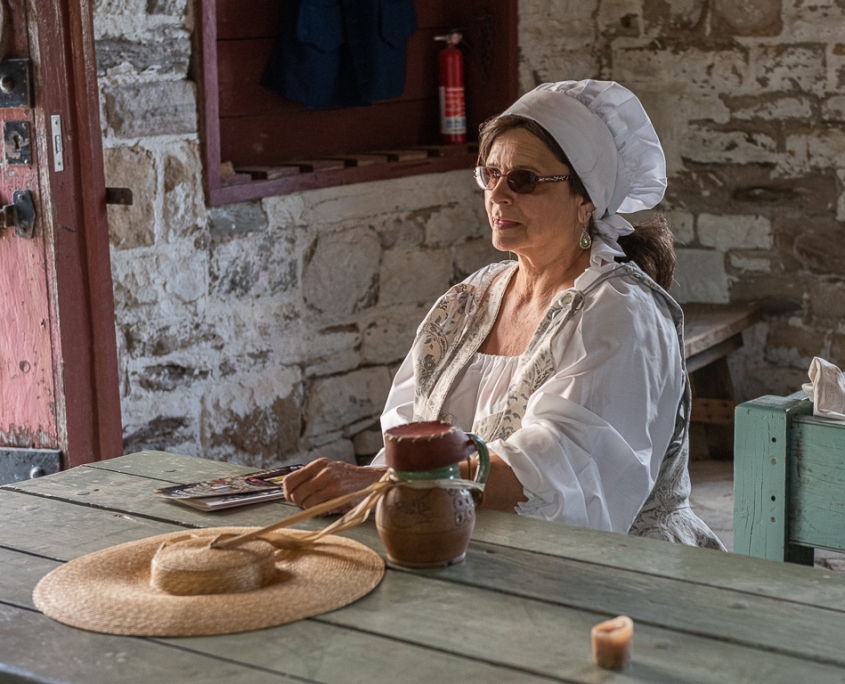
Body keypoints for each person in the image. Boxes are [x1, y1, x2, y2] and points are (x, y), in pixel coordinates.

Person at [284, 80, 724, 549]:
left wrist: (392, 482)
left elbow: (561, 473)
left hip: (614, 572)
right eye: (489, 174)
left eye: (523, 179)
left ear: (586, 199)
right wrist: (371, 487)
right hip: (464, 547)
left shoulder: (620, 315)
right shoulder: (467, 302)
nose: (498, 194)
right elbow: (406, 433)